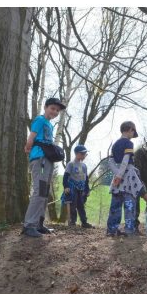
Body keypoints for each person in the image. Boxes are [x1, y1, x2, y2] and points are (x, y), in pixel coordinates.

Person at [22, 98, 66, 237]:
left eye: (57, 110)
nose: (55, 112)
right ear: (46, 107)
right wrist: (29, 149)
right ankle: (29, 225)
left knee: (44, 193)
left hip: (47, 160)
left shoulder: (49, 124)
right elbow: (31, 138)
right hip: (40, 159)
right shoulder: (40, 120)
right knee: (39, 191)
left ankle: (39, 224)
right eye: (52, 108)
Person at [107, 121, 147, 236]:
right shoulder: (128, 143)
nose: (133, 135)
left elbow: (110, 162)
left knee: (115, 205)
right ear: (130, 130)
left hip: (117, 178)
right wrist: (120, 175)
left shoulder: (115, 144)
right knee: (129, 204)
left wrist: (117, 174)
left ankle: (112, 230)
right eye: (133, 132)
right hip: (128, 176)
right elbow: (126, 160)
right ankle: (129, 230)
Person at [62, 144, 94, 228]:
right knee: (73, 205)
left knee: (81, 206)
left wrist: (87, 190)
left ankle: (84, 222)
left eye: (85, 154)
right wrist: (66, 187)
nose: (84, 155)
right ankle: (73, 222)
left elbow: (86, 179)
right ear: (77, 154)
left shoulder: (84, 166)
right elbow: (65, 177)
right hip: (73, 188)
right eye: (82, 153)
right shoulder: (71, 164)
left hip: (81, 188)